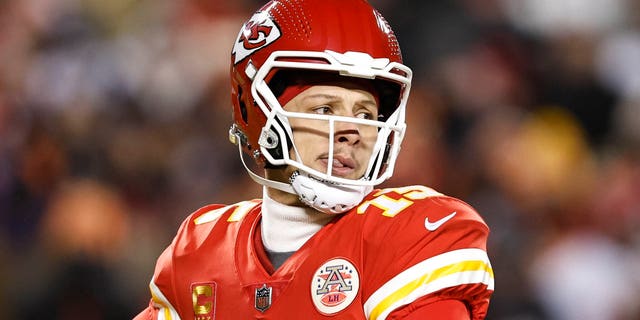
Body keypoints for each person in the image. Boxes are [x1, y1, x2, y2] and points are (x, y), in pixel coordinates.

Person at [134, 0, 494, 319]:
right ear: (255, 112)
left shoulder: (410, 236)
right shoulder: (199, 250)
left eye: (366, 114)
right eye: (325, 108)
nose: (353, 131)